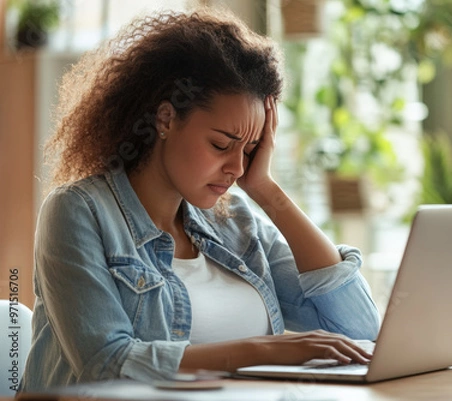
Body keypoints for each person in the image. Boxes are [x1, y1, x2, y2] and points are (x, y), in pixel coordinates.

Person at [20, 8, 380, 392]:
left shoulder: (236, 222)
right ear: (165, 119)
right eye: (221, 144)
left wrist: (266, 191)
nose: (238, 167)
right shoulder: (78, 212)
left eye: (252, 149)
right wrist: (262, 351)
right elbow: (105, 362)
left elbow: (359, 328)